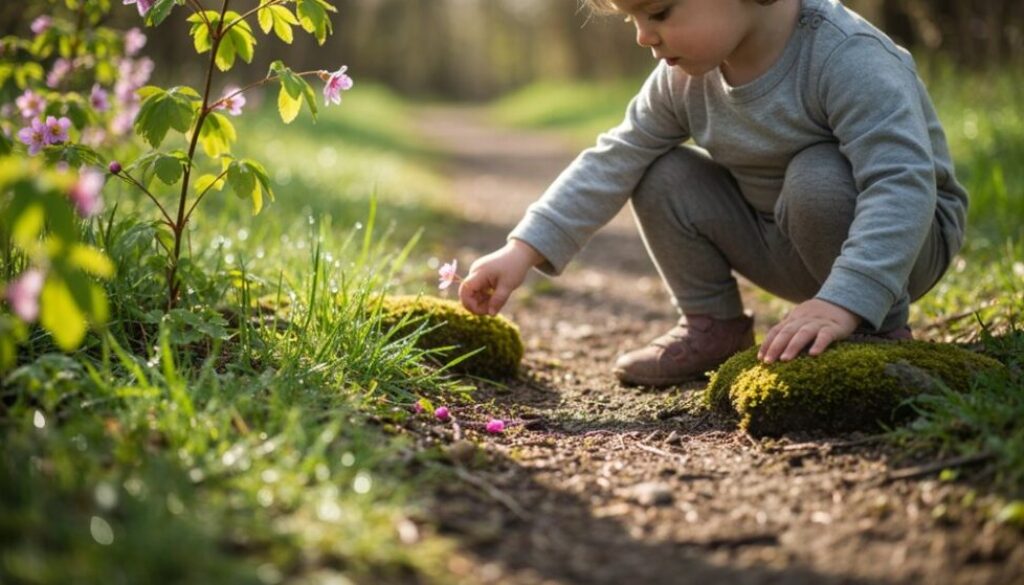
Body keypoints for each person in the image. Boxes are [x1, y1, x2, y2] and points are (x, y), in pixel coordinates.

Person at [457, 0, 967, 387]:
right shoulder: (683, 79)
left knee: (817, 173)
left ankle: (879, 334)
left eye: (657, 11)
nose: (642, 37)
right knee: (658, 169)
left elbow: (901, 179)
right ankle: (713, 326)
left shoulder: (844, 55)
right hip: (779, 242)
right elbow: (615, 158)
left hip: (902, 250)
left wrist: (849, 297)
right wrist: (521, 249)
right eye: (631, 19)